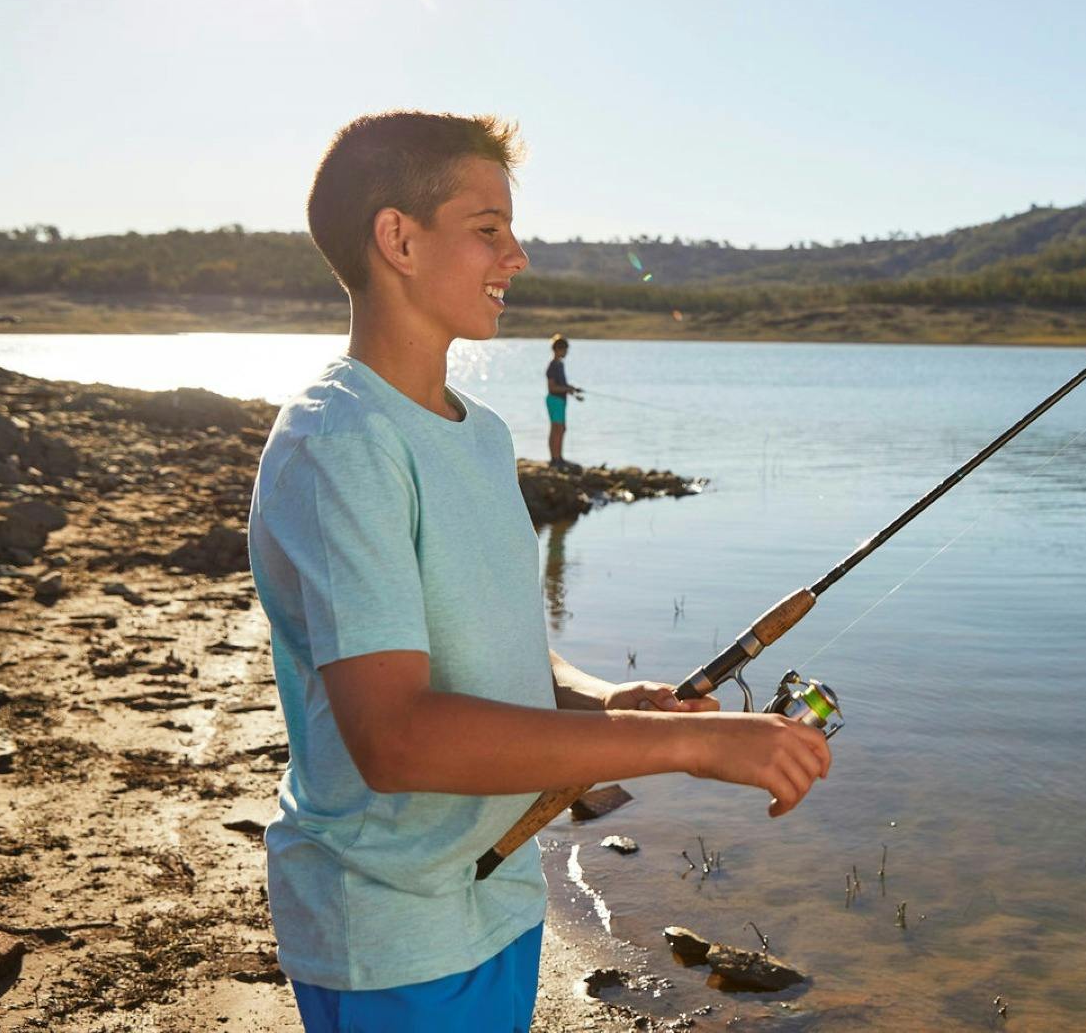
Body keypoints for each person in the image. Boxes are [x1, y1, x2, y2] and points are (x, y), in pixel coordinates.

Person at [247, 111, 831, 1033]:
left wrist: (605, 702)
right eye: (488, 229)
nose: (516, 257)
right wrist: (692, 746)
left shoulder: (480, 436)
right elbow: (395, 740)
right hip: (392, 933)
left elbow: (494, 644)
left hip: (500, 900)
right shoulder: (341, 443)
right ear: (398, 239)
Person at [545, 334, 583, 469]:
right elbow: (552, 387)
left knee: (561, 429)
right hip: (555, 400)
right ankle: (555, 459)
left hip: (560, 400)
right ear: (557, 349)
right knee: (557, 429)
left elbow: (561, 385)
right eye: (565, 349)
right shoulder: (552, 366)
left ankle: (559, 457)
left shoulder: (560, 365)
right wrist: (568, 389)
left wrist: (572, 390)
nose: (566, 352)